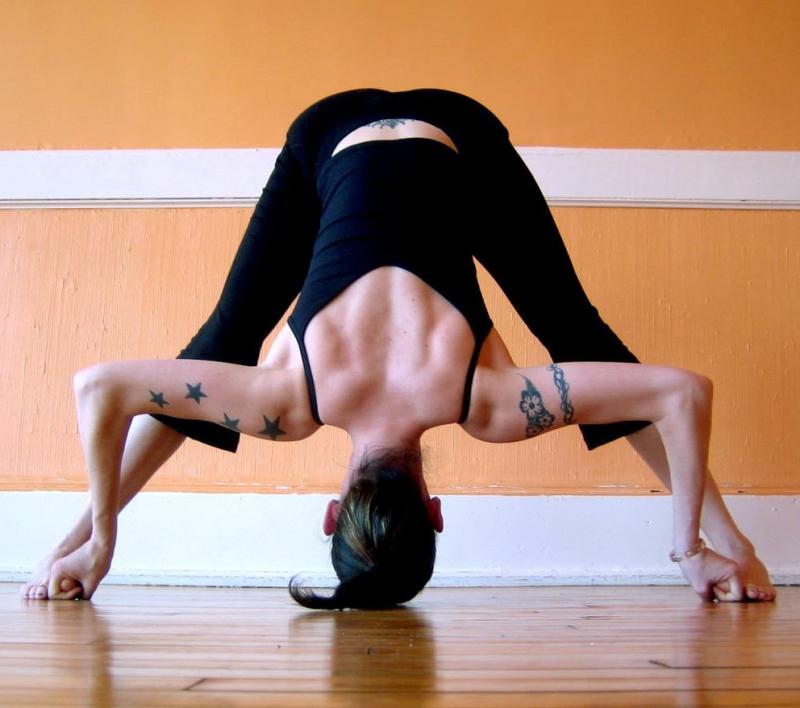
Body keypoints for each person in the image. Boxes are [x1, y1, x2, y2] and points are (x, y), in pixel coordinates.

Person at [21, 88, 775, 608]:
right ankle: (70, 540)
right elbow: (102, 389)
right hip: (327, 134)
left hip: (461, 134)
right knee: (219, 344)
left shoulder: (492, 406)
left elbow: (679, 395)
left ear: (435, 512)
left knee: (580, 334)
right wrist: (99, 540)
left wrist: (703, 550)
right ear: (331, 514)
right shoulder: (283, 405)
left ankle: (733, 546)